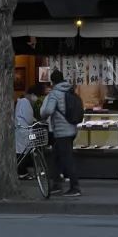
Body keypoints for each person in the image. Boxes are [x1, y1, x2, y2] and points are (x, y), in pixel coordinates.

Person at [40, 69, 81, 197]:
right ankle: (56, 185)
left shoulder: (55, 93)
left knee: (67, 159)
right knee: (56, 157)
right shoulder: (69, 90)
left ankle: (75, 187)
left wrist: (42, 114)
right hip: (71, 129)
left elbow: (48, 110)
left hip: (62, 132)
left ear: (53, 81)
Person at [15, 84, 42, 179]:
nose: (36, 98)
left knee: (23, 151)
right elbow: (29, 118)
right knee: (24, 152)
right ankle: (22, 172)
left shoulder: (21, 101)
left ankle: (23, 171)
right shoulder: (25, 102)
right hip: (23, 131)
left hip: (21, 130)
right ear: (32, 94)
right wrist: (35, 121)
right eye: (36, 96)